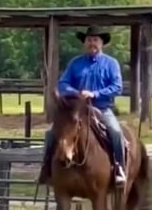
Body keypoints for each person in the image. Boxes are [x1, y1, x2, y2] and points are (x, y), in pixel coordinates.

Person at [37, 26, 126, 186]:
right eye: (89, 40)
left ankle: (119, 167)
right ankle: (46, 169)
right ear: (84, 43)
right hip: (77, 110)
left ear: (102, 44)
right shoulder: (75, 63)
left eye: (95, 40)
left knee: (116, 132)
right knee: (51, 134)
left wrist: (95, 94)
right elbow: (63, 83)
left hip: (101, 107)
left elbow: (117, 87)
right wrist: (76, 93)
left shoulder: (111, 64)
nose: (92, 43)